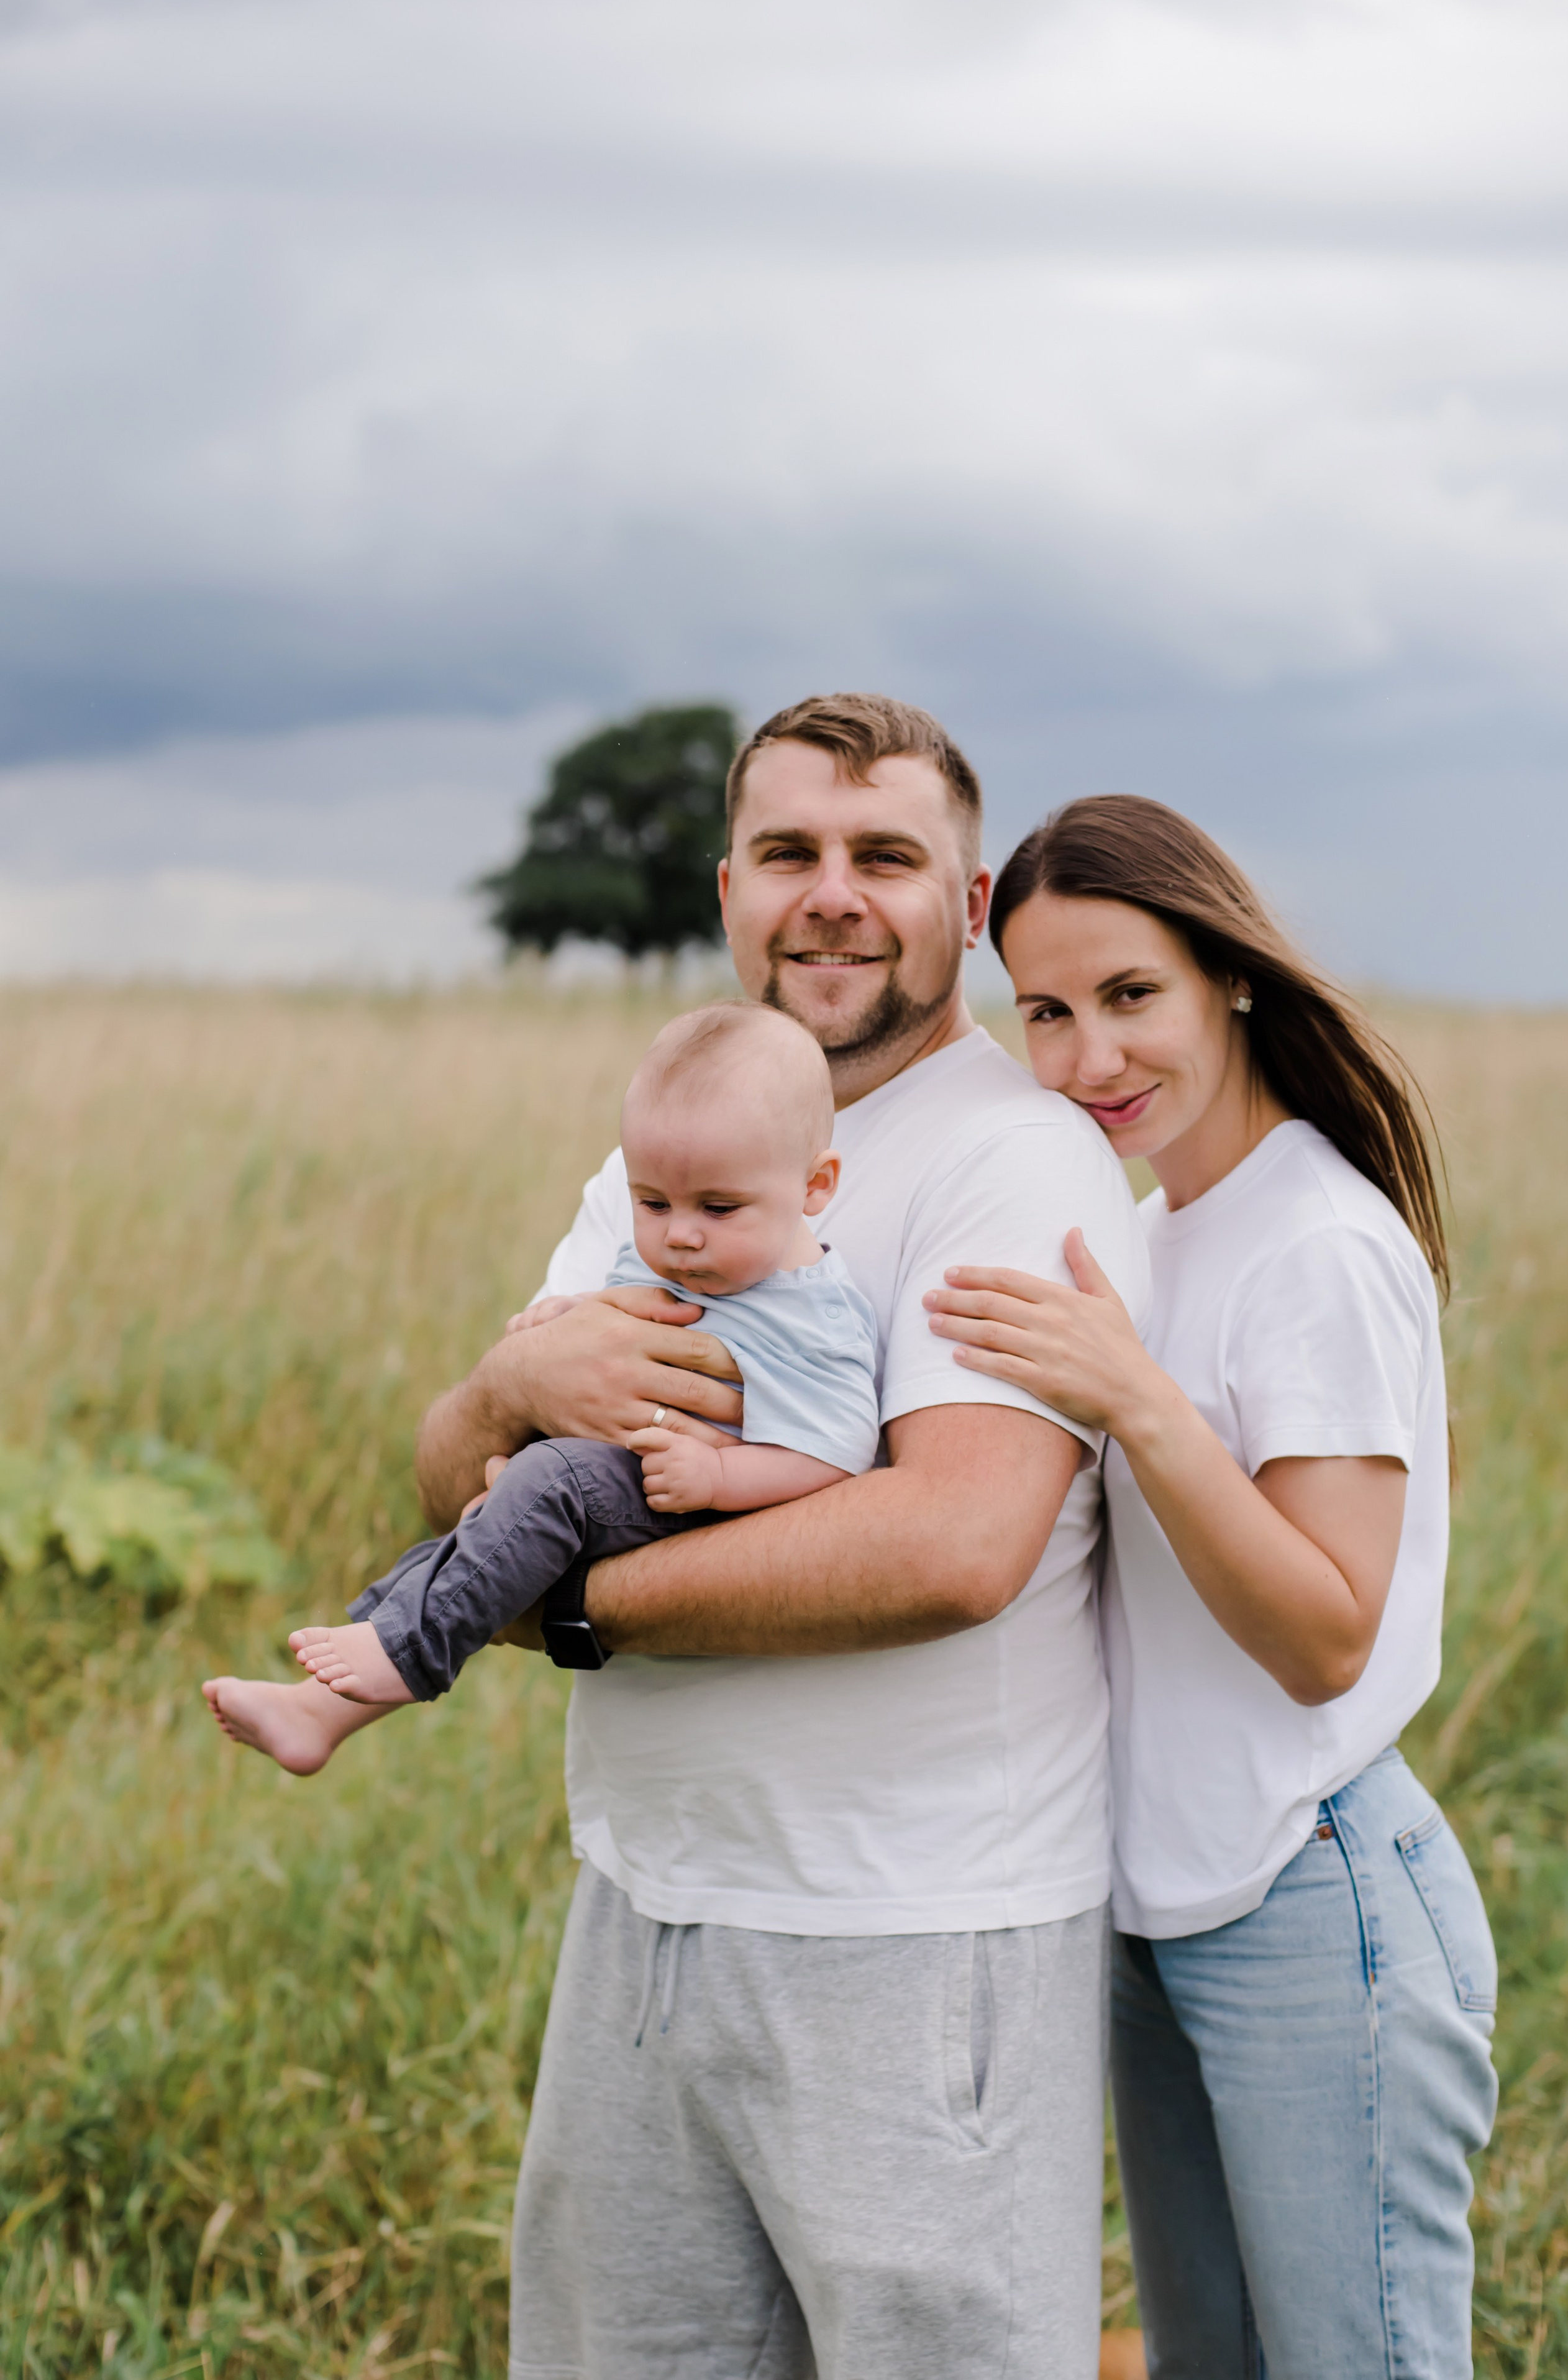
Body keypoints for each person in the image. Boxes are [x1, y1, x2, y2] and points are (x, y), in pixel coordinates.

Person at [417, 695, 1151, 2380]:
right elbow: (465, 1472)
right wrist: (501, 1384)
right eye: (786, 851)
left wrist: (562, 1606)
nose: (830, 894)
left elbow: (952, 1541)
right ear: (728, 887)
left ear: (967, 903)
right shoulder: (671, 1160)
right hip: (646, 1905)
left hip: (916, 1929)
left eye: (883, 854)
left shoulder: (1011, 1157)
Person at [924, 795, 1498, 2380]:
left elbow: (1323, 1634)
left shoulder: (1315, 1238)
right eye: (1045, 1009)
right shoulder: (1149, 1231)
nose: (1087, 1055)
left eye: (1129, 995)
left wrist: (1137, 1400)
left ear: (1228, 975)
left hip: (1308, 1893)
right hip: (1151, 1910)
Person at [199, 1001, 880, 1776]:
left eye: (718, 1208)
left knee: (550, 1484)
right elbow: (624, 1315)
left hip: (701, 1508)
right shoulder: (679, 1256)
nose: (680, 1233)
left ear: (814, 1184)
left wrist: (719, 1475)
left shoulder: (813, 1313)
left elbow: (838, 1450)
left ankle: (408, 1653)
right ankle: (319, 1706)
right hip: (621, 1474)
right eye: (652, 1202)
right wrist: (565, 1321)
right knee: (481, 1525)